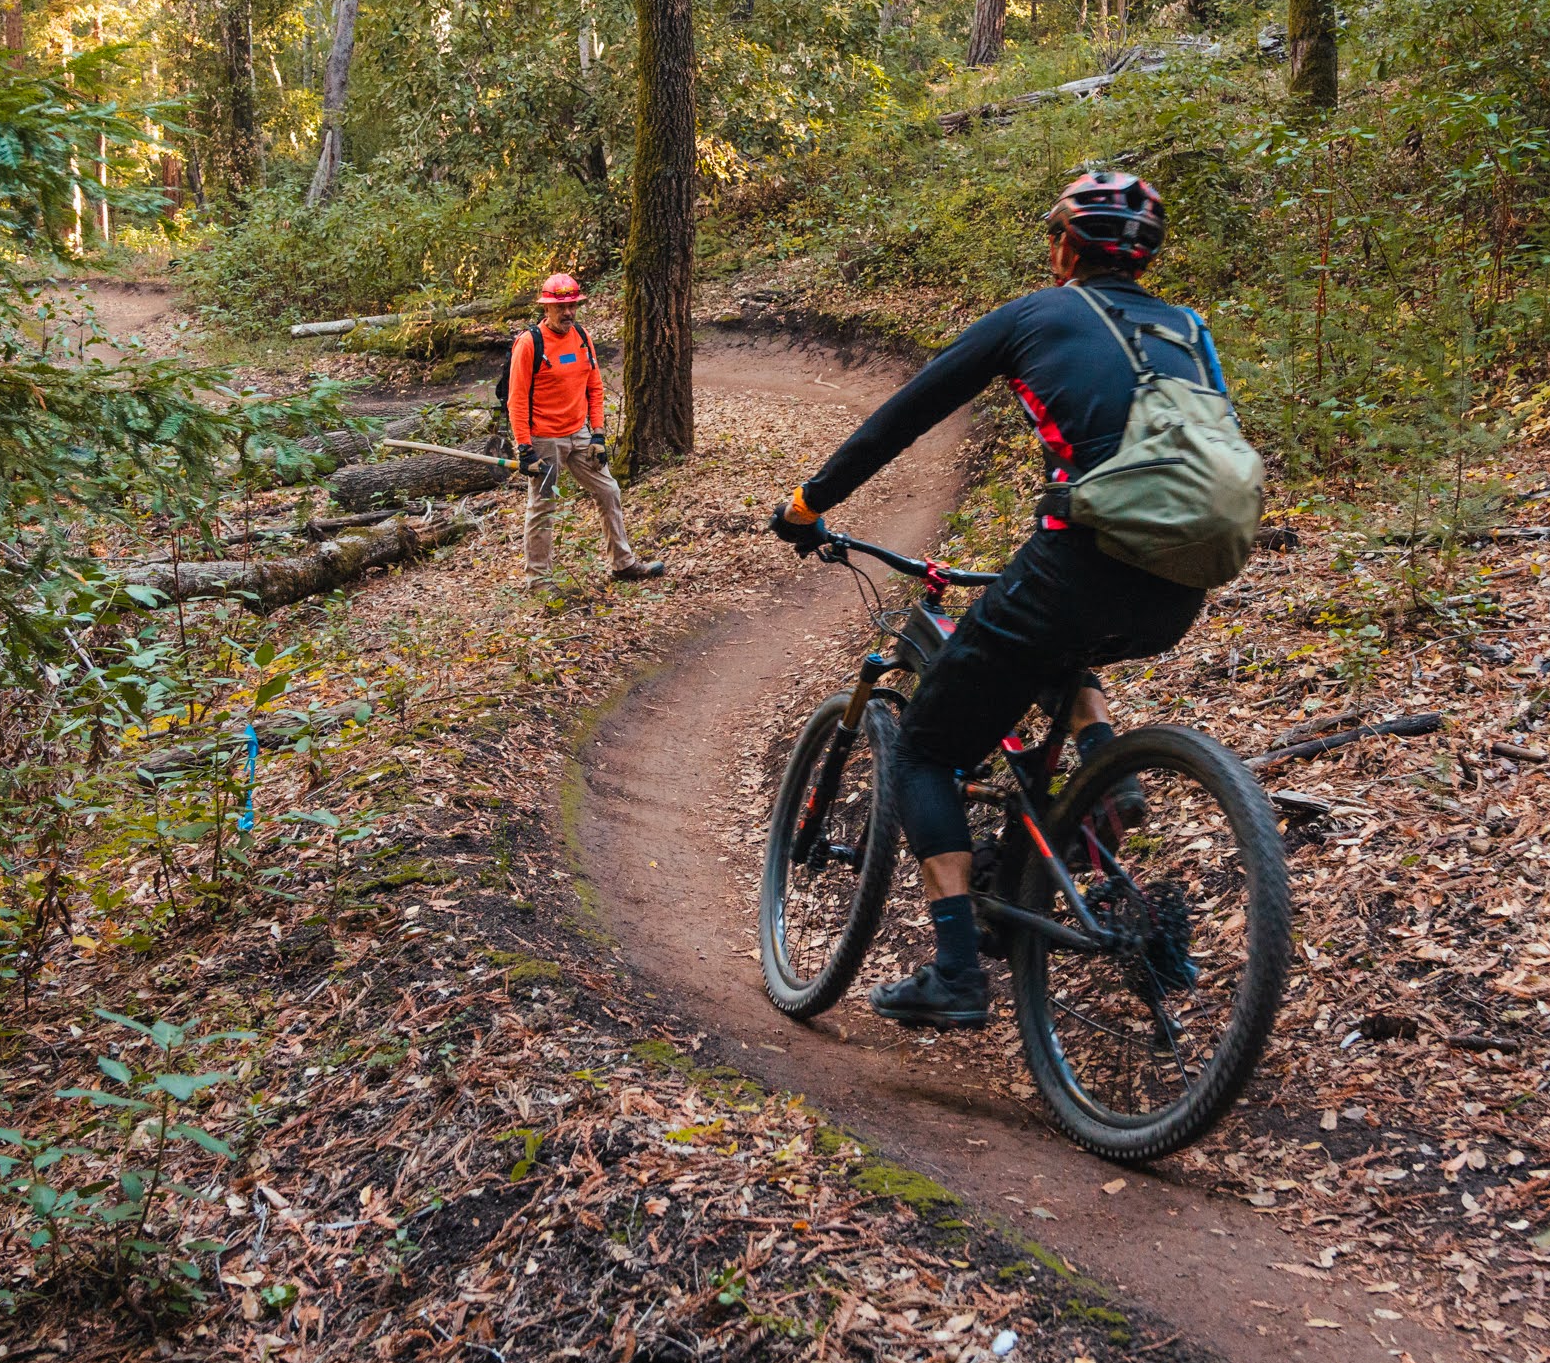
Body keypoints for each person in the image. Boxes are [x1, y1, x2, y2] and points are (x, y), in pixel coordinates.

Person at [769, 172, 1226, 1029]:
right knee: (1062, 642)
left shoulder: (1035, 316)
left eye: (1054, 235)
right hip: (1178, 586)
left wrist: (810, 501)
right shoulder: (1188, 328)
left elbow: (905, 415)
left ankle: (953, 974)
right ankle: (1099, 767)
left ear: (1065, 248)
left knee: (922, 752)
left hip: (1077, 566)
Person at [508, 273, 663, 584]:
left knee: (608, 490)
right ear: (546, 308)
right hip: (545, 441)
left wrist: (598, 433)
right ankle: (538, 579)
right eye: (561, 307)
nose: (568, 312)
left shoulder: (581, 336)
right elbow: (516, 399)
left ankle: (622, 563)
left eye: (572, 306)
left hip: (579, 435)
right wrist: (525, 448)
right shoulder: (530, 344)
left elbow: (594, 386)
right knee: (544, 504)